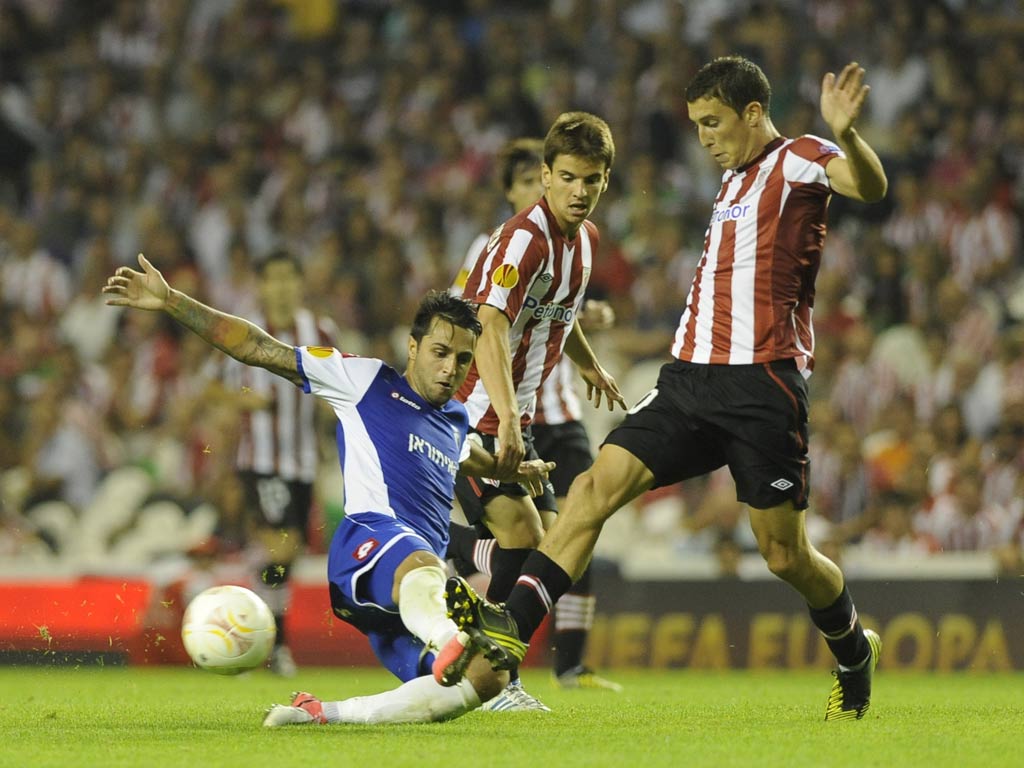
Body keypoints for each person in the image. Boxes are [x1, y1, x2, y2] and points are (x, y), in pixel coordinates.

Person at [437, 57, 889, 722]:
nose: (703, 137)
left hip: (763, 385)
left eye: (712, 122)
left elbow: (869, 187)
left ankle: (851, 649)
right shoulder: (732, 179)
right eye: (697, 124)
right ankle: (509, 633)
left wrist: (846, 135)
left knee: (783, 553)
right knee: (593, 489)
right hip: (687, 379)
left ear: (752, 114)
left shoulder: (798, 158)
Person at [103, 254, 554, 726]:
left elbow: (469, 455)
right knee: (426, 569)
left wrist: (513, 470)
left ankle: (323, 714)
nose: (451, 369)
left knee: (484, 680)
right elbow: (256, 347)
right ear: (413, 347)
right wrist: (172, 301)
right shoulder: (364, 380)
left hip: (409, 594)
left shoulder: (455, 420)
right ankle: (450, 637)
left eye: (463, 359)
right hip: (370, 545)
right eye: (440, 352)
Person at [445, 115, 626, 709]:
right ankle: (499, 682)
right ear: (546, 175)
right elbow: (490, 324)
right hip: (477, 411)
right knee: (527, 539)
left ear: (605, 181)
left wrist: (589, 365)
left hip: (515, 415)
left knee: (546, 546)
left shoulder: (586, 239)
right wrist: (505, 416)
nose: (579, 191)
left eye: (591, 180)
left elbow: (558, 314)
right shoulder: (523, 238)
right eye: (567, 177)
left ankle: (453, 549)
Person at [213, 250, 339, 677]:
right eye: (274, 279)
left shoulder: (320, 331)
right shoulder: (242, 330)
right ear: (262, 286)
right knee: (281, 545)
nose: (282, 287)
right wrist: (246, 400)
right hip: (261, 460)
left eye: (289, 277)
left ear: (300, 284)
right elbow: (211, 387)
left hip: (304, 463)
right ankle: (270, 645)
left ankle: (261, 635)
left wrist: (328, 407)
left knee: (288, 555)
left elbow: (338, 385)